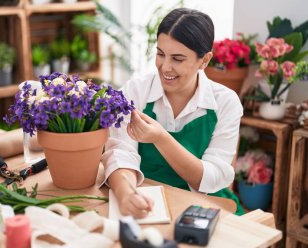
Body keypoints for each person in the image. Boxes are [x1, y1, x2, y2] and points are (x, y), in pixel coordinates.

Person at [100, 7, 244, 217]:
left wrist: (161, 138)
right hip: (149, 199)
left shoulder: (225, 103)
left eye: (177, 59)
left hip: (205, 205)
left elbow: (213, 178)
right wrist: (127, 194)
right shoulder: (136, 91)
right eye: (160, 54)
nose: (165, 67)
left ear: (204, 60)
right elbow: (121, 154)